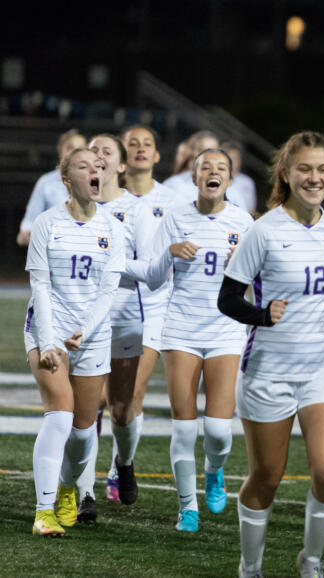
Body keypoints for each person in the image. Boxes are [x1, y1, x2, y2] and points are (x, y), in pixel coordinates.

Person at [217, 131, 324, 578]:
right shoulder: (262, 231)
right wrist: (262, 316)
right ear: (286, 172)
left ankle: (312, 560)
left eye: (322, 169)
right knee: (266, 476)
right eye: (305, 168)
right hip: (268, 371)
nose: (314, 177)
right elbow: (228, 299)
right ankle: (250, 566)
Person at [132, 148, 252, 532]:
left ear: (229, 181)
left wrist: (246, 266)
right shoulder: (176, 217)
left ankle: (214, 472)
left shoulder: (244, 221)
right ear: (194, 178)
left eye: (221, 169)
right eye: (205, 168)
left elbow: (261, 282)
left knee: (217, 429)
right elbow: (151, 278)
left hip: (226, 329)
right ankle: (187, 506)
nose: (213, 173)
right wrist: (169, 253)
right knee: (184, 426)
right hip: (181, 329)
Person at [24, 147, 125, 536]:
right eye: (84, 167)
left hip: (93, 336)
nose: (95, 170)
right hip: (47, 331)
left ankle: (68, 487)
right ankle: (44, 511)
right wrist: (50, 342)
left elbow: (108, 291)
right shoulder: (47, 224)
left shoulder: (113, 228)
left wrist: (86, 330)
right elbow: (41, 286)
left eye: (99, 166)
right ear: (67, 181)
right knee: (60, 415)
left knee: (84, 434)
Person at [105, 125, 180, 505]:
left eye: (146, 143)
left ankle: (122, 463)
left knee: (132, 395)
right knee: (108, 402)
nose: (139, 149)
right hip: (107, 306)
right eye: (131, 143)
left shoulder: (172, 199)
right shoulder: (101, 199)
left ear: (157, 156)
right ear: (120, 158)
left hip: (152, 307)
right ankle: (97, 474)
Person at [71, 134, 142, 520]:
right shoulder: (70, 209)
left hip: (125, 317)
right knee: (87, 410)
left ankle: (125, 461)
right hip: (82, 321)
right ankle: (85, 494)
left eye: (106, 152)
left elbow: (150, 269)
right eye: (92, 150)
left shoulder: (137, 211)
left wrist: (115, 266)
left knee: (121, 409)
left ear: (120, 166)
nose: (97, 156)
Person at [17, 129, 87, 246]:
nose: (75, 153)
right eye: (70, 147)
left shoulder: (95, 183)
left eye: (81, 149)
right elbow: (27, 228)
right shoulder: (46, 182)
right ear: (60, 150)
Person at [163, 131, 220, 201]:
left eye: (213, 150)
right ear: (193, 152)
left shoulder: (229, 188)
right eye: (201, 150)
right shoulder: (173, 184)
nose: (207, 155)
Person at [221, 140, 259, 217]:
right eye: (231, 158)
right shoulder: (215, 180)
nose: (234, 162)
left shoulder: (247, 182)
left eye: (237, 159)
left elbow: (251, 209)